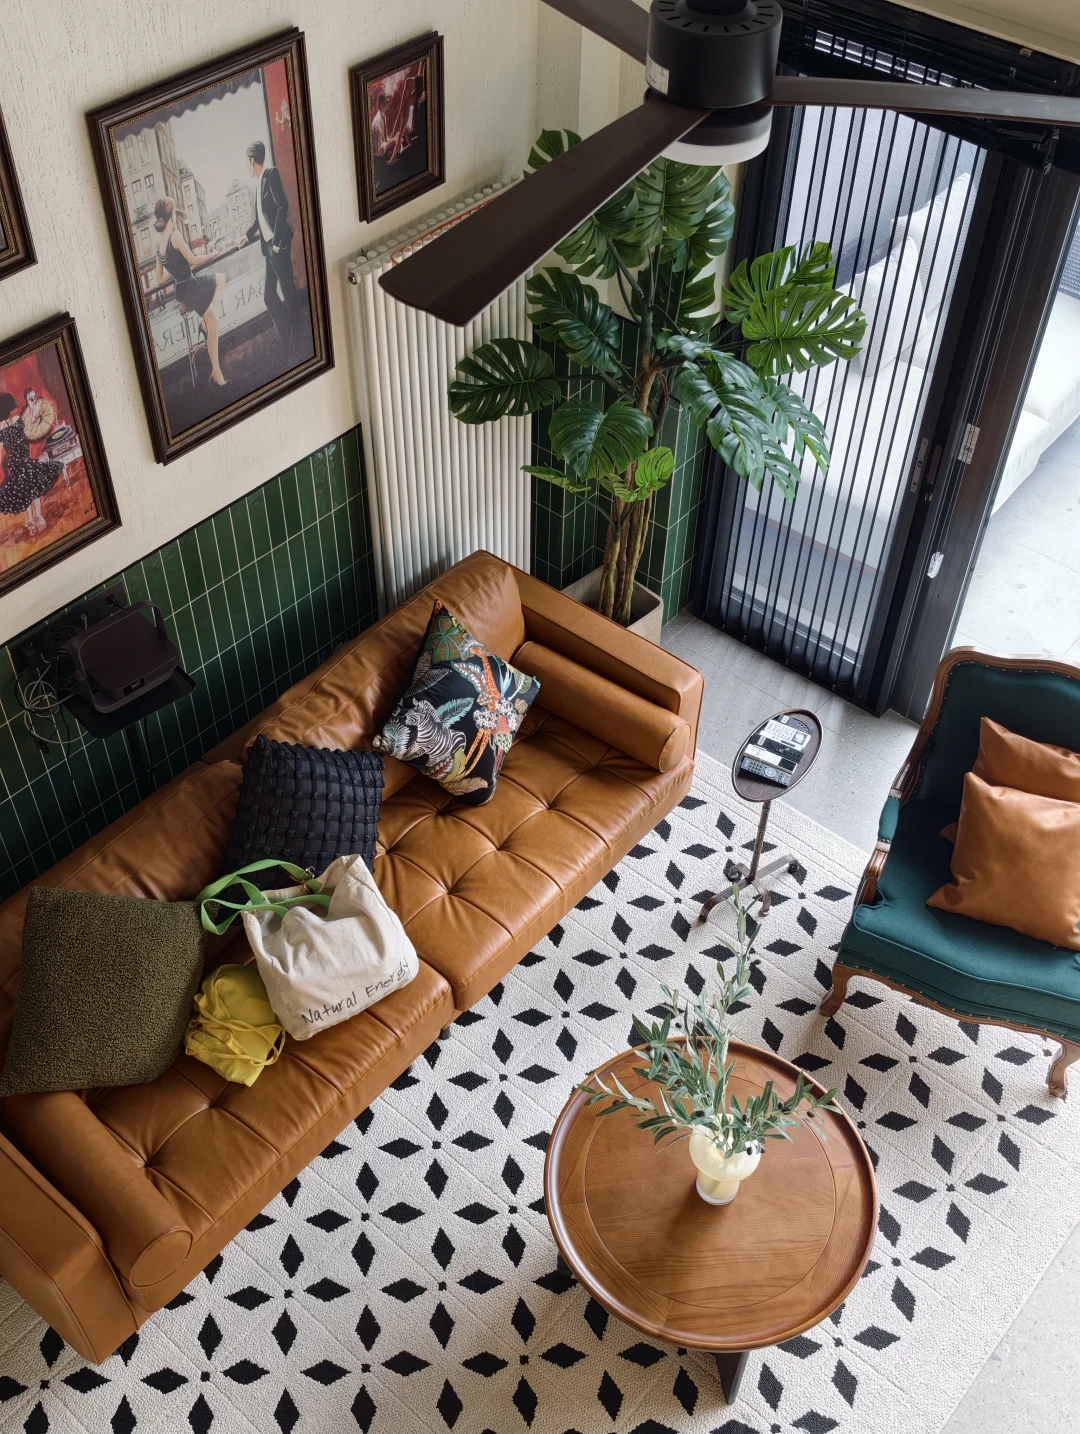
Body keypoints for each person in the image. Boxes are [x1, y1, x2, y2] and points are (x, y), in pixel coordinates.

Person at [153, 197, 228, 388]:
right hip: (191, 286)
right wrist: (211, 254)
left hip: (182, 289)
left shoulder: (160, 247)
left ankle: (204, 323)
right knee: (213, 321)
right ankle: (216, 371)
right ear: (171, 214)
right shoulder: (175, 236)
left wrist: (174, 273)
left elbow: (159, 279)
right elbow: (194, 260)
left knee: (220, 279)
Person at [239, 139, 301, 351]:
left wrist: (276, 242)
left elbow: (283, 205)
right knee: (269, 295)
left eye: (247, 162)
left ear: (252, 160)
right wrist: (246, 236)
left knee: (288, 290)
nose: (247, 166)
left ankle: (296, 336)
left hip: (277, 246)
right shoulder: (257, 184)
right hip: (268, 248)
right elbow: (259, 220)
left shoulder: (271, 174)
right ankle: (285, 332)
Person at [0, 391, 64, 536]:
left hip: (25, 459)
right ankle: (30, 520)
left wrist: (31, 408)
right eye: (11, 409)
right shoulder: (1, 429)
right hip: (15, 463)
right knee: (24, 492)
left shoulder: (17, 419)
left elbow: (30, 429)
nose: (13, 410)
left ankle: (38, 516)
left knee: (33, 487)